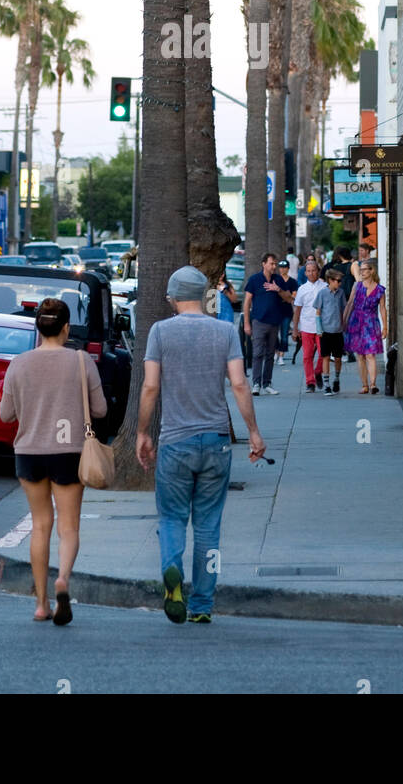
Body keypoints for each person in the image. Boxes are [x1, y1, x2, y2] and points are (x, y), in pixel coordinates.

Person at [136, 266, 266, 624]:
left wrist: (143, 432)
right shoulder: (225, 330)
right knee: (209, 526)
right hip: (217, 442)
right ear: (205, 295)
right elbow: (240, 384)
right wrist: (253, 432)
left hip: (176, 441)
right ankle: (202, 605)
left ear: (173, 298)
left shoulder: (160, 332)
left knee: (173, 517)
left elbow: (150, 387)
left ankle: (171, 568)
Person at [0, 297, 107, 626]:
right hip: (69, 453)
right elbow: (100, 410)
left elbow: (6, 415)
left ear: (38, 327)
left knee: (40, 525)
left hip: (30, 453)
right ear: (65, 328)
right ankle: (63, 579)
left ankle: (41, 604)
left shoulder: (18, 363)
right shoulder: (81, 361)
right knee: (68, 526)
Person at [242, 252, 293, 396]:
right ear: (263, 264)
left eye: (275, 264)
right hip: (259, 321)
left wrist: (278, 290)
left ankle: (267, 383)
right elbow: (247, 302)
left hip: (274, 321)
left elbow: (289, 299)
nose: (274, 266)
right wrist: (247, 323)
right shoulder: (254, 280)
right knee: (258, 353)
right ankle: (256, 383)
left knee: (270, 354)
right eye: (271, 263)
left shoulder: (278, 280)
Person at [342, 260, 387, 393]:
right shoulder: (357, 286)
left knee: (370, 354)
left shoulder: (380, 289)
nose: (361, 272)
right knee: (360, 355)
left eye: (364, 269)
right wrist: (344, 321)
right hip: (356, 322)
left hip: (371, 323)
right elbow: (350, 303)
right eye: (360, 270)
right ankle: (364, 385)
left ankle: (373, 384)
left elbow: (383, 309)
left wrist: (385, 327)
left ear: (371, 271)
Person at [292, 258, 328, 392]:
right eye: (308, 271)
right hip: (306, 327)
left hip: (322, 327)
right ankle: (310, 382)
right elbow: (297, 311)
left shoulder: (325, 287)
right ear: (305, 273)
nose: (311, 273)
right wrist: (295, 329)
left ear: (318, 272)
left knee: (323, 354)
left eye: (314, 270)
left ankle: (318, 372)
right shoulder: (302, 289)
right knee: (307, 356)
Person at [314, 268, 346, 393]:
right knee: (325, 357)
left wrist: (345, 327)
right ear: (330, 280)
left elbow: (343, 310)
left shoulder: (341, 293)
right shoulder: (322, 293)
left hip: (338, 331)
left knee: (338, 358)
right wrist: (319, 329)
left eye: (340, 281)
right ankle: (326, 384)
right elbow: (318, 312)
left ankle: (337, 379)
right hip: (325, 331)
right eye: (337, 281)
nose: (339, 283)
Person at [275, 259, 298, 366]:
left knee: (284, 334)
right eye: (280, 267)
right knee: (274, 334)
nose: (282, 269)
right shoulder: (275, 279)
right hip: (275, 310)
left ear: (288, 269)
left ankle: (281, 356)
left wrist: (285, 296)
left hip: (287, 311)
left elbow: (294, 296)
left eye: (284, 267)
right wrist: (286, 295)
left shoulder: (292, 282)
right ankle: (276, 351)